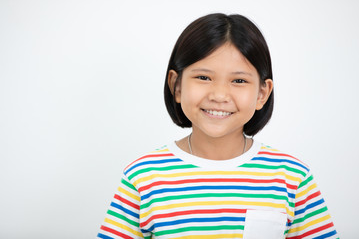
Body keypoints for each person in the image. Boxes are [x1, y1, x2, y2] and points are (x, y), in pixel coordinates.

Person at [97, 13, 338, 239]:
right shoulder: (143, 177)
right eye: (203, 77)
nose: (220, 95)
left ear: (262, 94)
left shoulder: (292, 177)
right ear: (177, 86)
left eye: (239, 80)